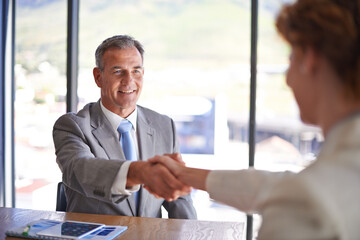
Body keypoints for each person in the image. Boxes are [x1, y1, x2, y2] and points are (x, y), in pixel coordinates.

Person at [149, 0, 360, 238]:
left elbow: (296, 192)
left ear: (309, 58)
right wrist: (187, 175)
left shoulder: (307, 203)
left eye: (291, 57)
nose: (288, 79)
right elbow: (273, 186)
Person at [52, 35, 196, 219]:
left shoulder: (164, 125)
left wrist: (192, 232)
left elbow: (179, 198)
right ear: (98, 77)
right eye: (118, 71)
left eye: (136, 71)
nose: (129, 80)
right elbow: (80, 170)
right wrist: (140, 172)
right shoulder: (73, 126)